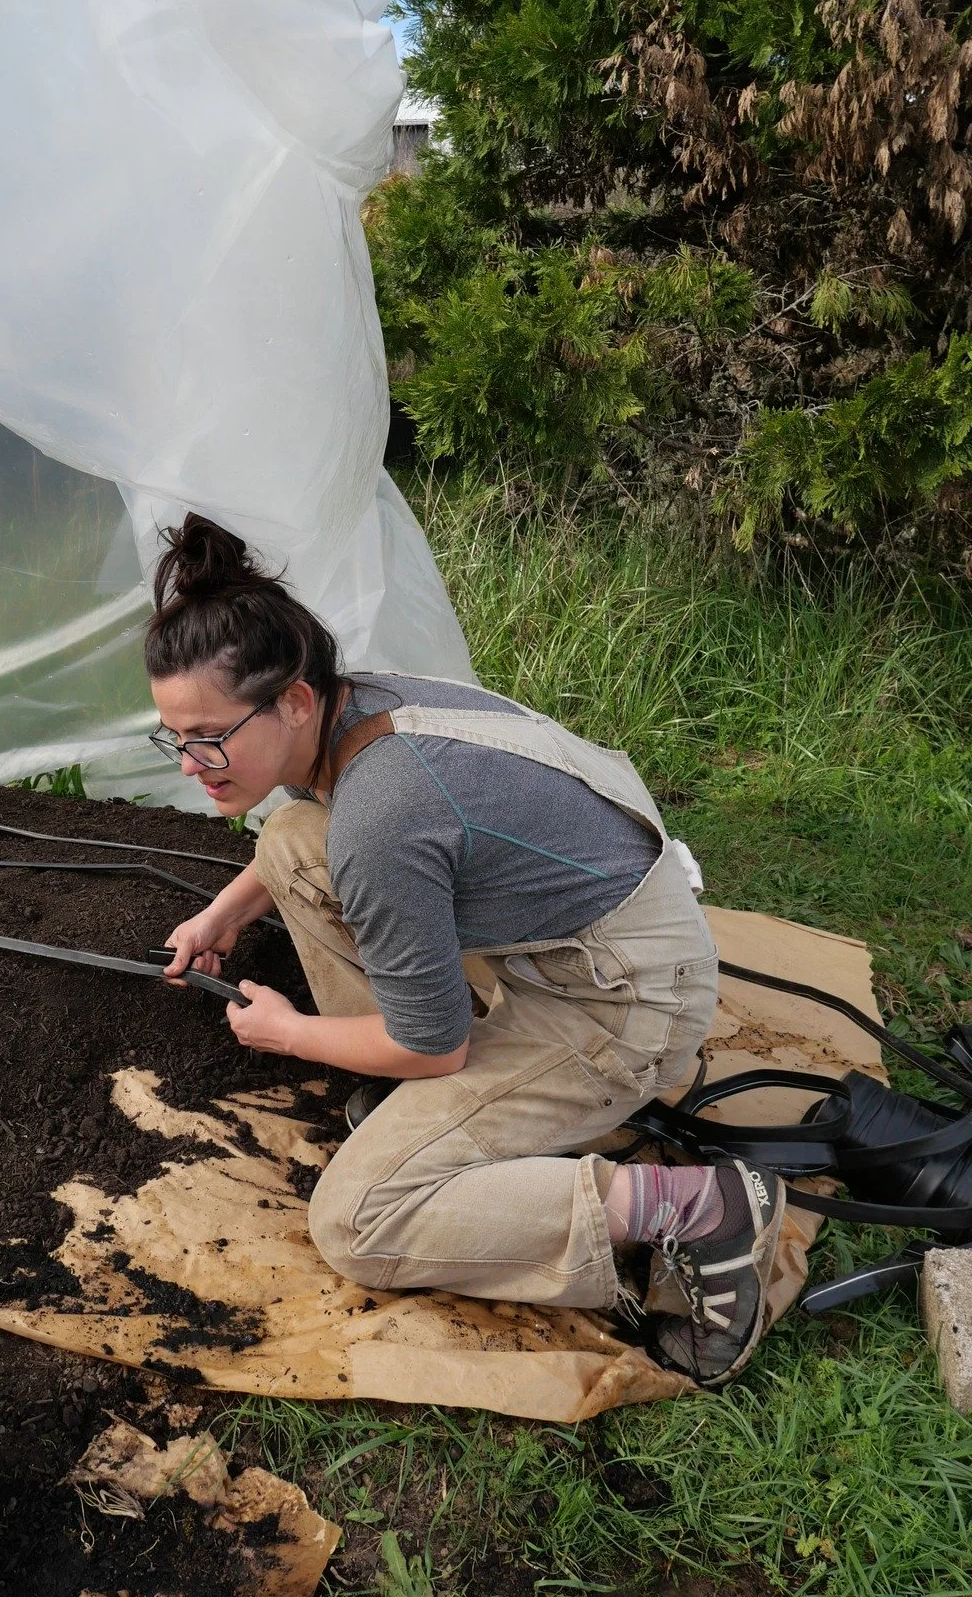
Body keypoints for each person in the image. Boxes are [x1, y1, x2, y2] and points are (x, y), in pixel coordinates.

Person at [147, 512, 786, 1387]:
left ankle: (704, 1211)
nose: (190, 762)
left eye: (207, 736)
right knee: (295, 836)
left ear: (294, 700)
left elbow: (432, 1043)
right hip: (578, 932)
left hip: (621, 1002)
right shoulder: (353, 704)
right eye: (174, 738)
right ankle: (424, 1109)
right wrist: (225, 913)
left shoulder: (383, 814)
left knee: (359, 1219)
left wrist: (290, 1032)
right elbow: (308, 843)